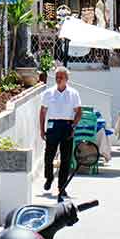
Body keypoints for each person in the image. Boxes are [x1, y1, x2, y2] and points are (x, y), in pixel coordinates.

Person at [39, 66, 82, 200]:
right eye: (57, 77)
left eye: (61, 77)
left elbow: (79, 111)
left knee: (66, 159)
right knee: (48, 156)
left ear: (67, 79)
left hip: (67, 125)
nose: (58, 79)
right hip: (53, 125)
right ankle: (49, 177)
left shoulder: (73, 93)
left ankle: (62, 187)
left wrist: (73, 126)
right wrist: (42, 129)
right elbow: (42, 112)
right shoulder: (48, 93)